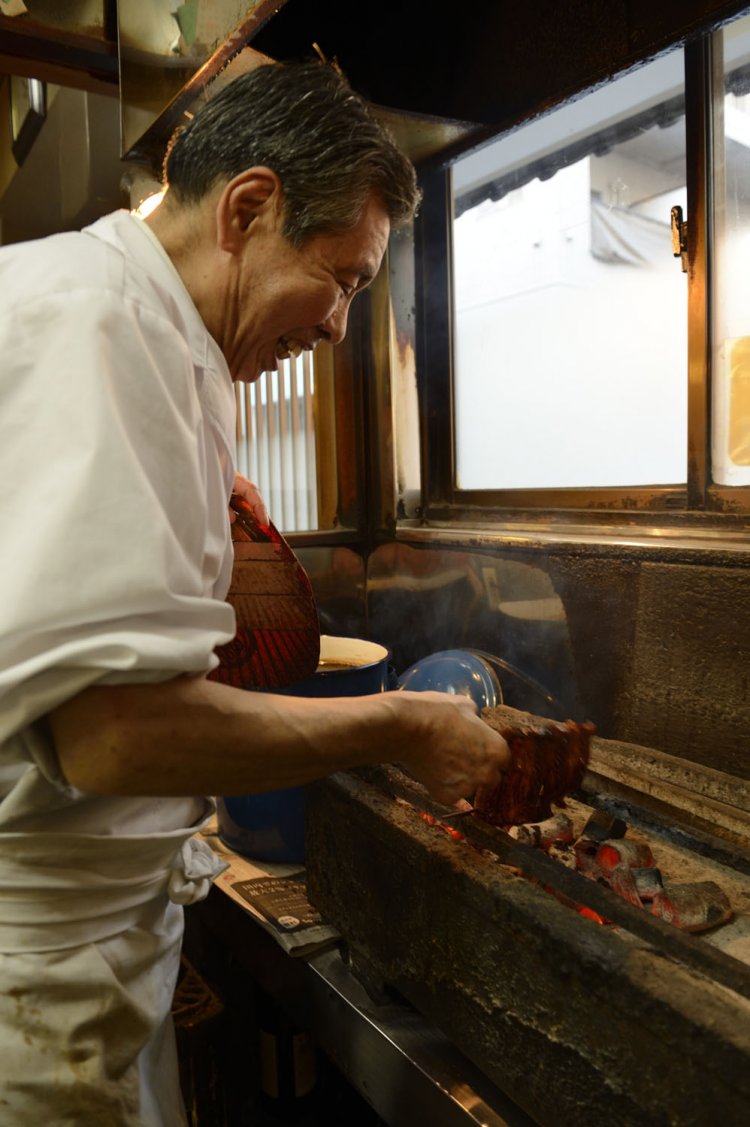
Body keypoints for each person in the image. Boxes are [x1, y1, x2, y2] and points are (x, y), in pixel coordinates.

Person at [0, 60, 510, 1124]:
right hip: (36, 972)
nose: (336, 325)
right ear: (248, 208)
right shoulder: (99, 328)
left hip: (88, 948)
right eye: (347, 278)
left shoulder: (167, 338)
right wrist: (400, 722)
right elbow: (115, 738)